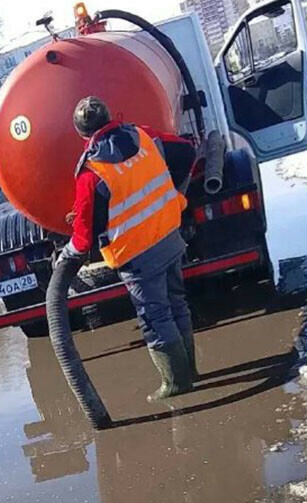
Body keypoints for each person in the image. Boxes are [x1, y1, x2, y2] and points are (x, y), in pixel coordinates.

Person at [55, 96, 197, 400]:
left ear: (82, 134)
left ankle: (176, 383)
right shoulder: (144, 136)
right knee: (177, 302)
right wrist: (174, 193)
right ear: (111, 117)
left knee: (155, 317)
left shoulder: (91, 172)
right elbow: (187, 150)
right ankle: (190, 372)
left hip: (137, 255)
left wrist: (69, 253)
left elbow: (83, 238)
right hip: (169, 235)